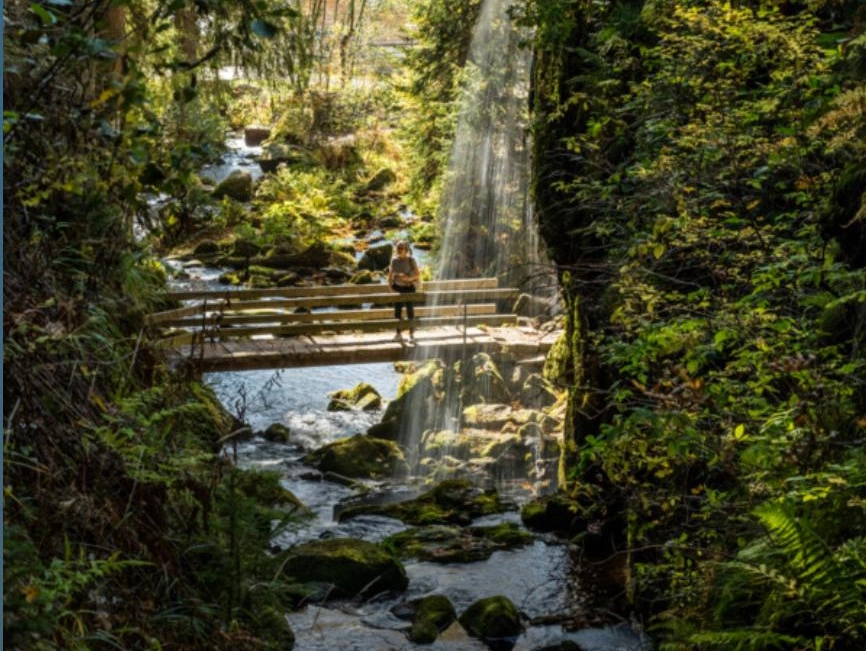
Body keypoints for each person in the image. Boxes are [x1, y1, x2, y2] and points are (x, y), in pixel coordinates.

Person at [387, 240, 420, 342]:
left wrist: (407, 279)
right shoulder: (394, 260)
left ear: (406, 249)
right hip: (398, 287)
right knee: (398, 311)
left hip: (409, 287)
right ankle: (398, 334)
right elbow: (391, 274)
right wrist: (391, 283)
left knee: (410, 311)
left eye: (401, 248)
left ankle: (412, 335)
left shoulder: (411, 260)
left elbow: (418, 275)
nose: (399, 250)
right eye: (398, 248)